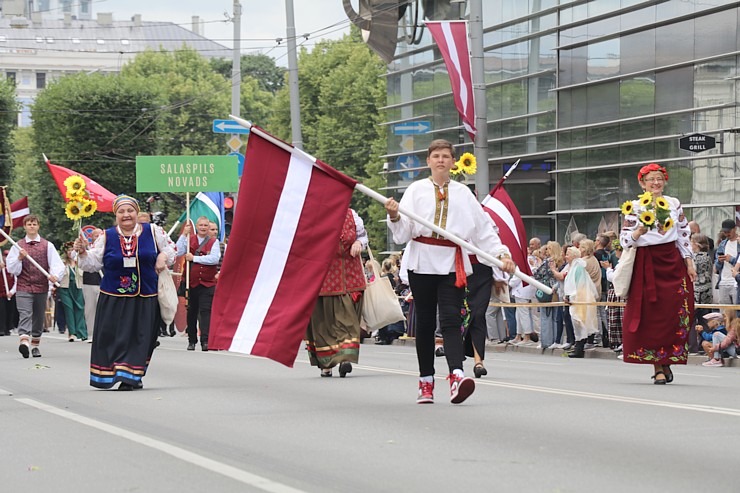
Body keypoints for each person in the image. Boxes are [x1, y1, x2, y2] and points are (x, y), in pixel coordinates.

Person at [384, 139, 515, 404]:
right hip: (422, 262)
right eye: (436, 156)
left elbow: (482, 230)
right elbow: (403, 233)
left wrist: (502, 254)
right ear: (428, 161)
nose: (441, 160)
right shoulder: (416, 190)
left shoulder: (464, 194)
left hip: (451, 263)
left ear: (453, 162)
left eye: (446, 156)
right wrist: (395, 216)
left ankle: (457, 374)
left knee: (452, 319)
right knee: (425, 323)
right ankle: (426, 382)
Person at [75, 195, 175, 390]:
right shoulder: (107, 236)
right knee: (114, 337)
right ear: (116, 215)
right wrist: (82, 252)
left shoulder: (153, 231)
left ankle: (131, 376)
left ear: (137, 213)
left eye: (130, 211)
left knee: (141, 337)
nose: (126, 215)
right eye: (121, 212)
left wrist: (163, 256)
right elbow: (92, 264)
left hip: (145, 296)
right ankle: (118, 373)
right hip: (114, 297)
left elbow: (171, 248)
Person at [620, 163, 695, 384]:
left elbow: (683, 234)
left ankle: (668, 357)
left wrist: (689, 262)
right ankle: (658, 366)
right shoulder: (634, 206)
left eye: (659, 178)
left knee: (678, 309)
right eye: (651, 179)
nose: (656, 183)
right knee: (650, 315)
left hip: (671, 260)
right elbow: (625, 239)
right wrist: (638, 232)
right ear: (642, 183)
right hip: (647, 263)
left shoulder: (673, 203)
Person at [305, 208, 367, 377]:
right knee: (324, 322)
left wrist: (358, 243)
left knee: (347, 319)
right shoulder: (312, 215)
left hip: (349, 276)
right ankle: (327, 362)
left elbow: (362, 236)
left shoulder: (352, 215)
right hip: (322, 278)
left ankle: (345, 359)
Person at [6, 214, 64, 358]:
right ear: (25, 227)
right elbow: (12, 269)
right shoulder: (17, 246)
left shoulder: (47, 245)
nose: (32, 226)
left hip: (41, 287)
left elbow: (57, 264)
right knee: (25, 313)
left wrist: (55, 275)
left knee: (38, 316)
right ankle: (24, 341)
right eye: (29, 224)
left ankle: (35, 345)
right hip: (23, 286)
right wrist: (19, 258)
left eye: (34, 224)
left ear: (38, 226)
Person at [176, 216, 220, 351]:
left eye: (206, 226)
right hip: (191, 282)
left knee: (205, 312)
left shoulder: (214, 242)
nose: (203, 228)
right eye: (201, 225)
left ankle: (205, 341)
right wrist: (184, 235)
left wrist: (194, 258)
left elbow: (214, 259)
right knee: (191, 312)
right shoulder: (190, 239)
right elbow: (178, 250)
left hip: (207, 283)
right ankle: (191, 340)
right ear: (197, 226)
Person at [58, 242, 88, 342]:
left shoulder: (79, 261)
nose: (70, 252)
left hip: (77, 287)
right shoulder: (62, 262)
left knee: (79, 308)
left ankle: (82, 332)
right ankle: (72, 333)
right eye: (69, 250)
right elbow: (57, 273)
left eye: (72, 250)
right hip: (65, 287)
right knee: (69, 309)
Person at [691, 233, 712, 354]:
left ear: (697, 244)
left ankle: (693, 346)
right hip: (707, 291)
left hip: (697, 291)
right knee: (704, 319)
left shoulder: (696, 257)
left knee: (692, 319)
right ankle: (704, 344)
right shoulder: (708, 256)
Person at [81, 228, 103, 343]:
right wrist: (83, 249)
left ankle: (103, 334)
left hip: (103, 283)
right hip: (89, 282)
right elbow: (79, 259)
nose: (98, 237)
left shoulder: (104, 248)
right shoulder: (88, 249)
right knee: (90, 309)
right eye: (96, 235)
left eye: (100, 235)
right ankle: (91, 334)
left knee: (104, 310)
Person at [714, 219, 738, 305]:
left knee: (737, 313)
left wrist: (731, 259)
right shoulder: (723, 244)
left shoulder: (738, 243)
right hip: (723, 281)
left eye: (729, 231)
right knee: (724, 314)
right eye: (724, 232)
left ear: (735, 229)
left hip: (736, 282)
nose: (727, 234)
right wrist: (719, 261)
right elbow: (717, 267)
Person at [0, 250, 18, 336]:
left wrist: (11, 292)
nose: (5, 258)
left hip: (10, 293)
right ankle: (1, 329)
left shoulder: (12, 268)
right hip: (1, 293)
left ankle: (8, 328)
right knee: (2, 311)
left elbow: (16, 282)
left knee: (10, 311)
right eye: (4, 256)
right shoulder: (1, 268)